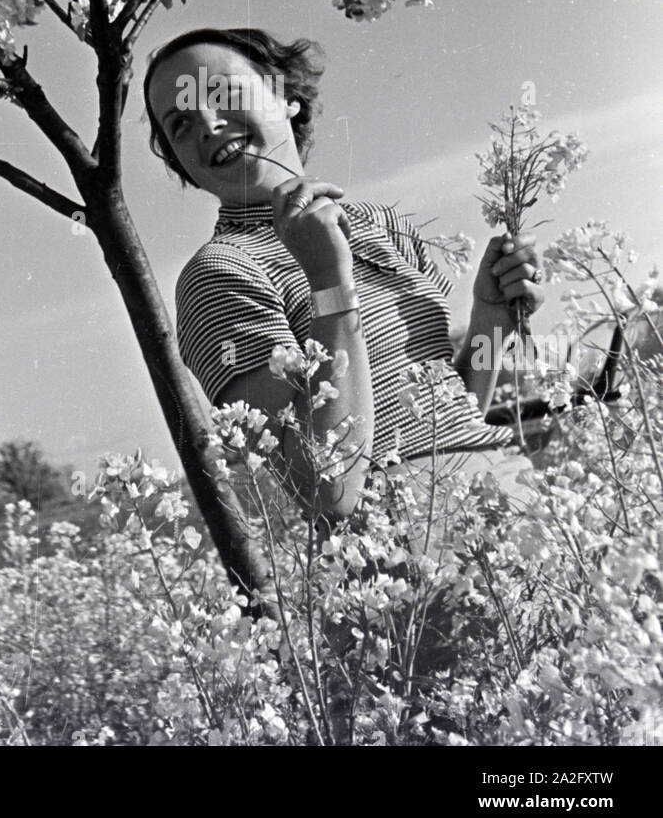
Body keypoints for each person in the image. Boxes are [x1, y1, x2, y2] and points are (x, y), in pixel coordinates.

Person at [144, 26, 545, 527]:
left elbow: (445, 420)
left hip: (512, 501)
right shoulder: (217, 275)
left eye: (221, 92)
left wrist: (490, 319)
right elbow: (325, 488)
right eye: (180, 123)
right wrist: (329, 284)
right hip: (407, 550)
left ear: (284, 95)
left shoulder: (384, 226)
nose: (206, 123)